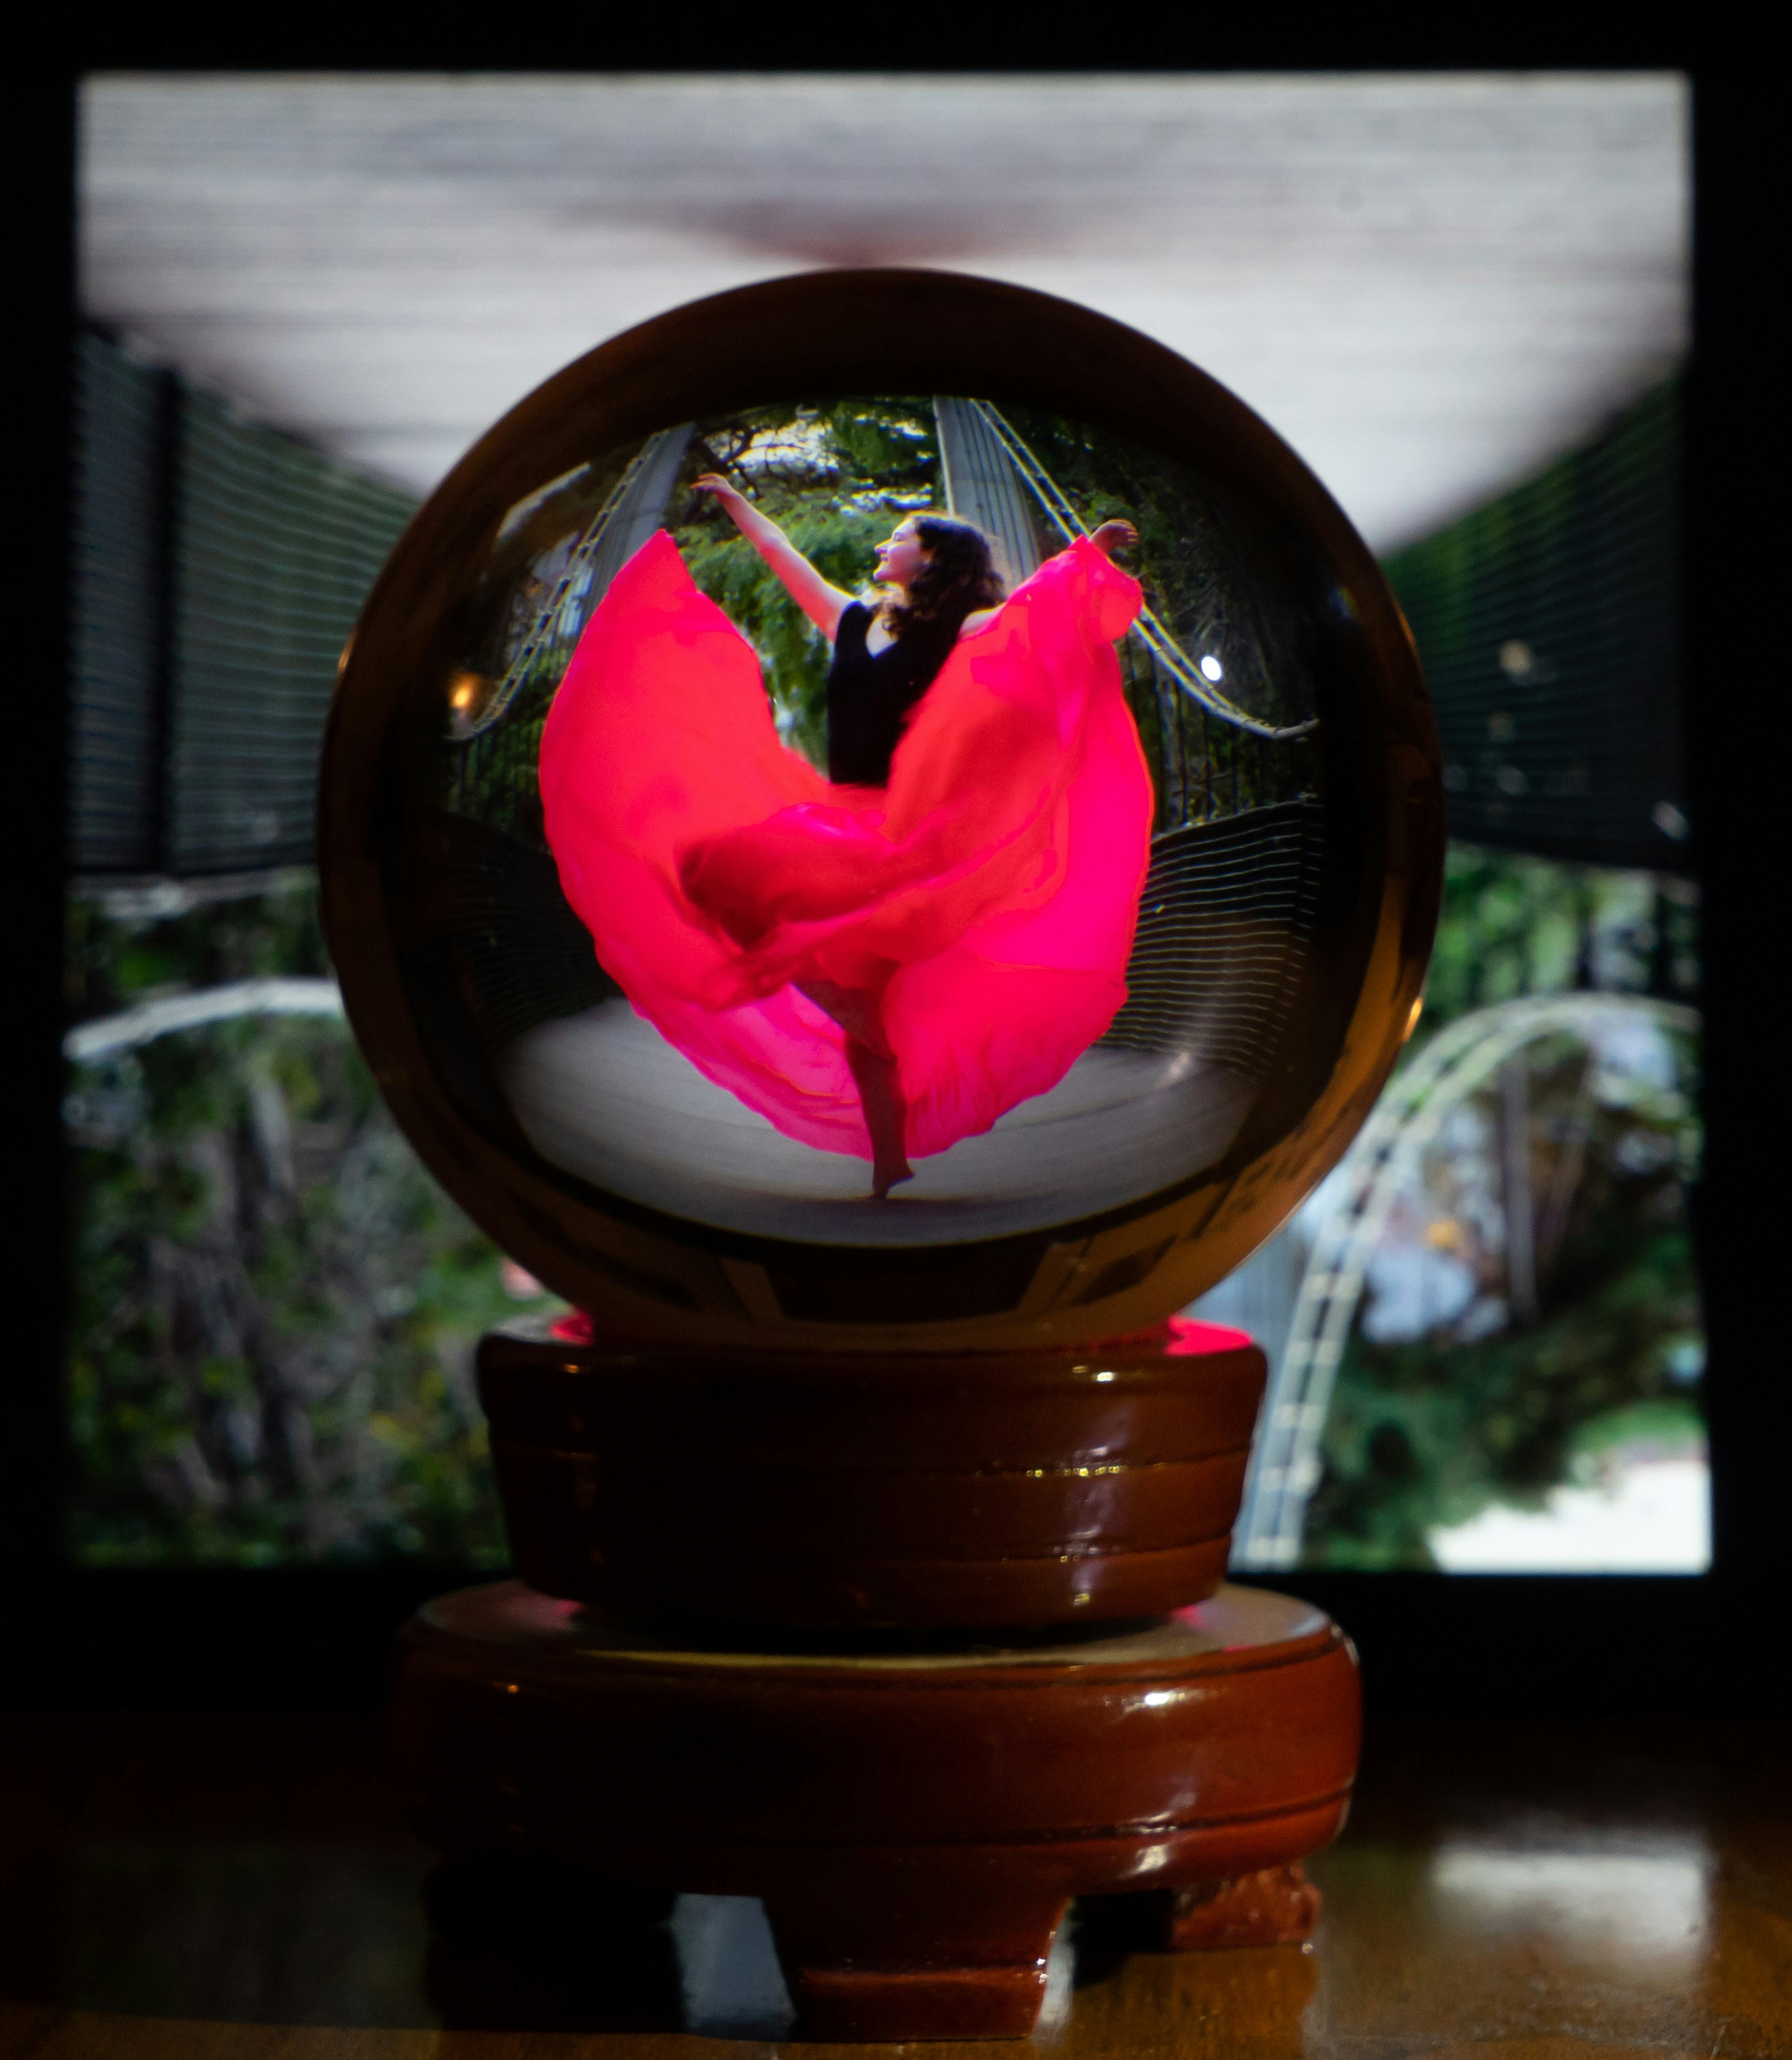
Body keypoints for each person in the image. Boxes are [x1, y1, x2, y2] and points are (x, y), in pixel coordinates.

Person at [537, 474, 1153, 1200]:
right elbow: (783, 556)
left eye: (902, 537)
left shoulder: (956, 630)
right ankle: (862, 1054)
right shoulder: (853, 620)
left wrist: (1091, 554)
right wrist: (736, 504)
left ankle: (888, 1156)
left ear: (931, 562)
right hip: (837, 821)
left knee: (875, 1024)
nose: (886, 543)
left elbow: (1032, 616)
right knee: (719, 870)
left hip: (909, 836)